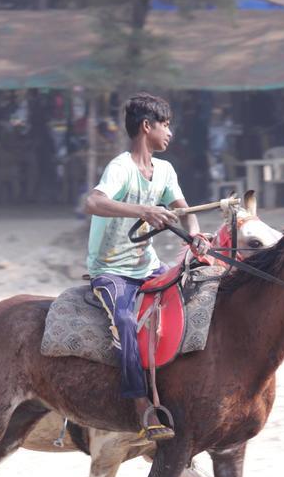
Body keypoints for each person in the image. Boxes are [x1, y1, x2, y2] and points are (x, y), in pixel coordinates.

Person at [84, 92, 208, 442]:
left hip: (148, 267)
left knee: (191, 300)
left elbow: (185, 211)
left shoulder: (165, 170)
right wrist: (144, 211)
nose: (170, 132)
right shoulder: (121, 168)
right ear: (146, 126)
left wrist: (194, 236)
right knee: (125, 321)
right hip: (111, 270)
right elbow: (93, 201)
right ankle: (140, 404)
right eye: (165, 125)